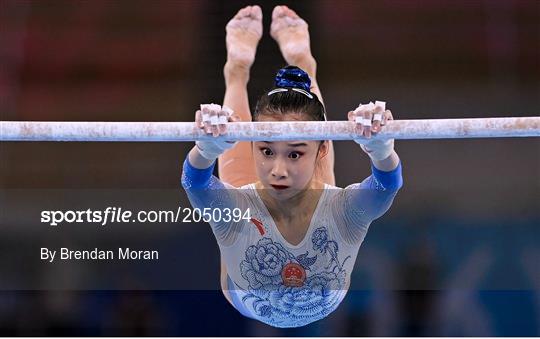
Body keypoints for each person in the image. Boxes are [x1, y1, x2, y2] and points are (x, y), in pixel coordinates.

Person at [181, 5, 403, 328]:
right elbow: (196, 184)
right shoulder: (237, 209)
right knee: (247, 172)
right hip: (248, 288)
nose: (278, 170)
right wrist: (207, 148)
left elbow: (387, 185)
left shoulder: (343, 211)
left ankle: (286, 63)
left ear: (322, 148)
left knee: (319, 190)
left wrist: (382, 147)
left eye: (295, 154)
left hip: (256, 291)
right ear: (254, 144)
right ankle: (238, 71)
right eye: (266, 151)